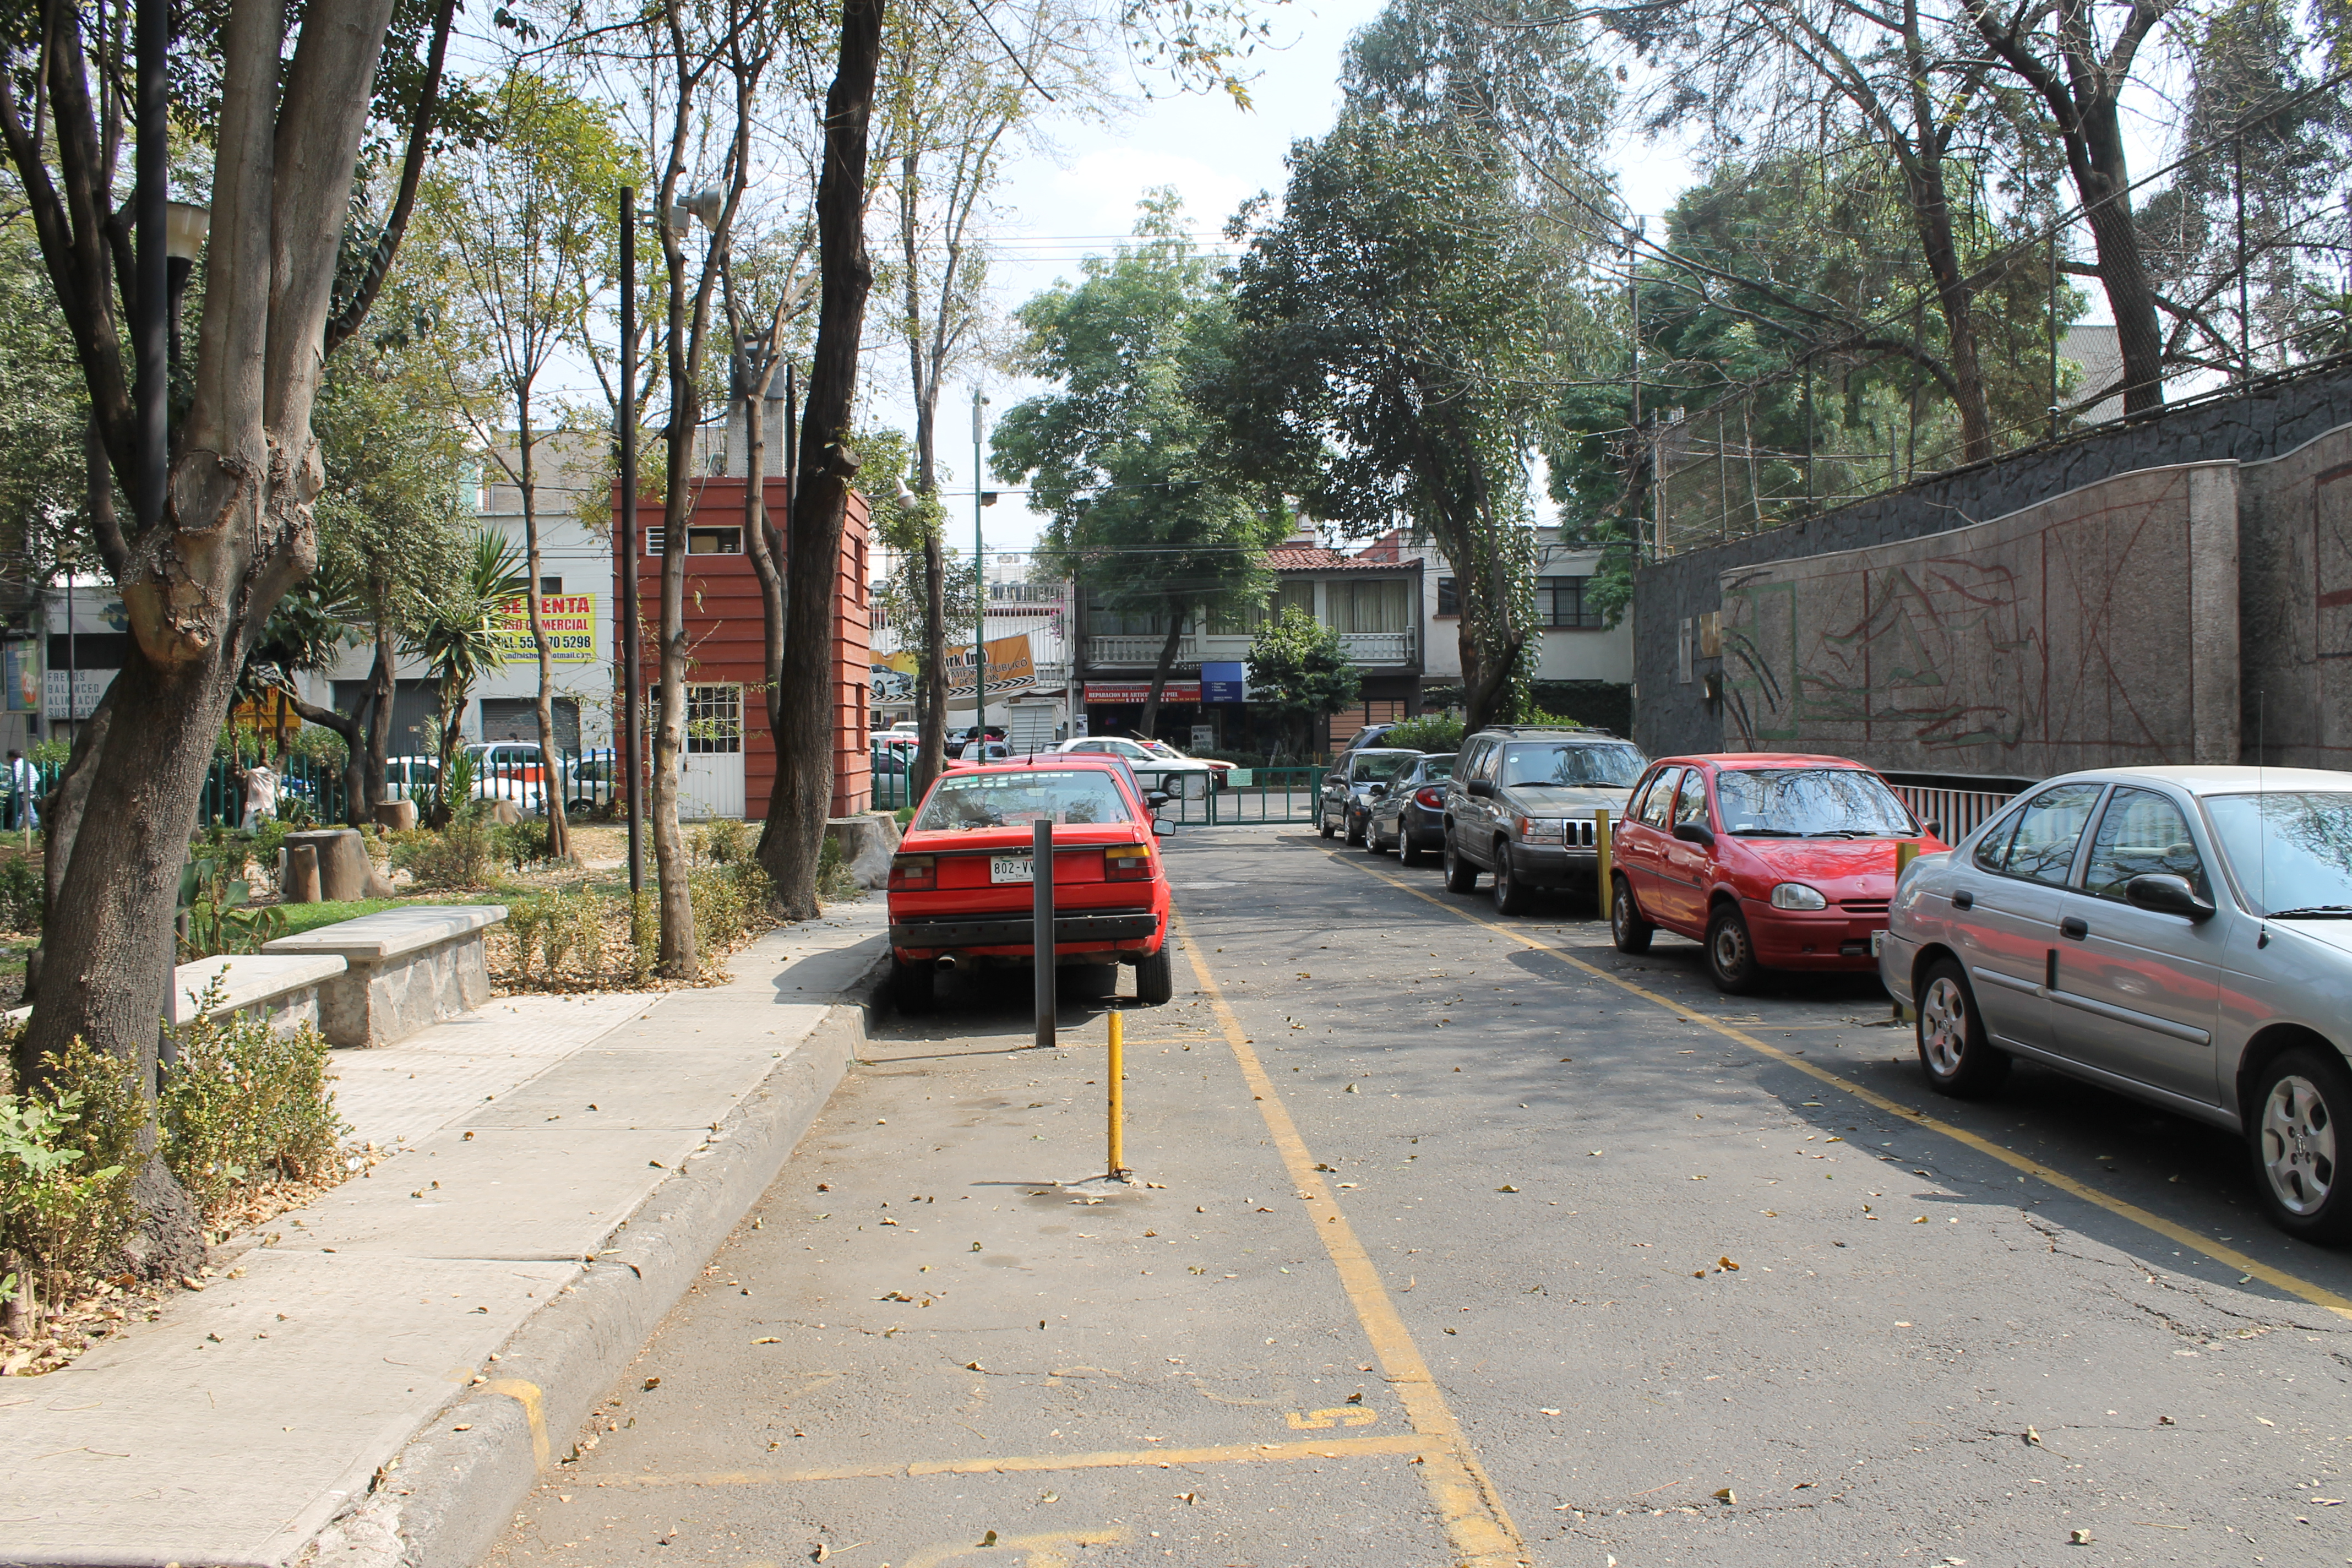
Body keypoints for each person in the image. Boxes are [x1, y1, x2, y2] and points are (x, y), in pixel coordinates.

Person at [241, 758, 279, 831]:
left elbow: (247, 773)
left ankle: (257, 827)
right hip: (269, 794)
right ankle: (269, 827)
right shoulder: (270, 773)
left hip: (257, 794)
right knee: (269, 811)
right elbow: (276, 779)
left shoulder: (254, 772)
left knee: (258, 810)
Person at [6, 749, 36, 832]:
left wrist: (6, 786)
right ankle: (14, 830)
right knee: (20, 811)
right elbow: (37, 778)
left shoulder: (18, 765)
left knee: (29, 810)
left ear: (12, 757)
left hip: (23, 791)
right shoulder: (29, 764)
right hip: (31, 790)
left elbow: (15, 779)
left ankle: (36, 828)